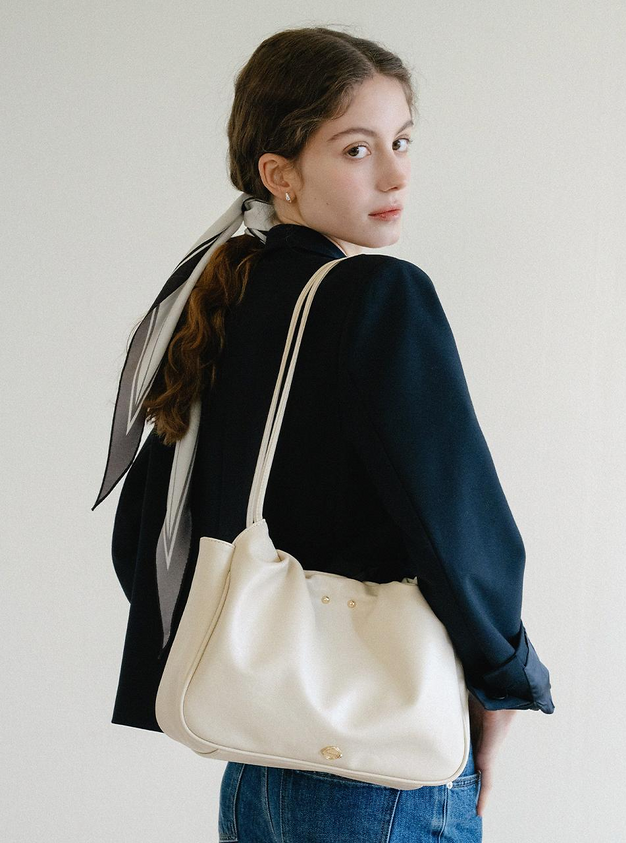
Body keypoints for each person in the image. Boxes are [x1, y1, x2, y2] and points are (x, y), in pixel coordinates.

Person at [98, 25, 555, 842]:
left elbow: (143, 533)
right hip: (378, 762)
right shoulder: (376, 294)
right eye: (356, 149)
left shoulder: (221, 298)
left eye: (401, 141)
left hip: (258, 759)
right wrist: (505, 678)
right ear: (281, 174)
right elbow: (458, 526)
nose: (396, 174)